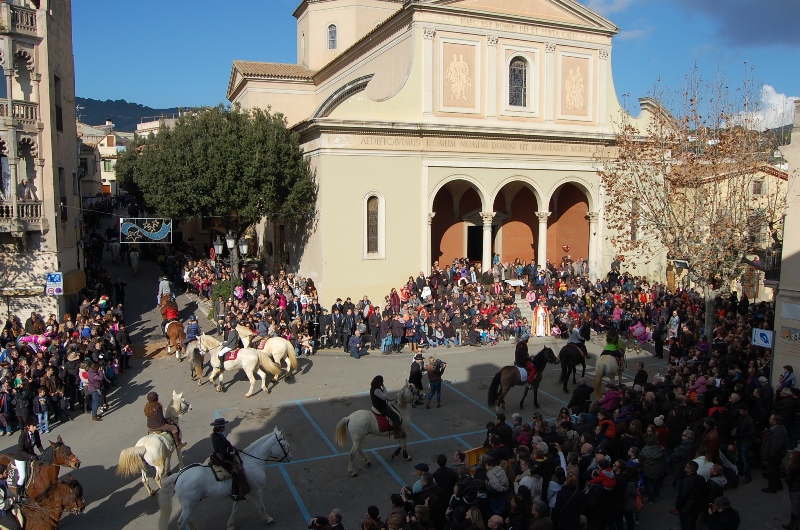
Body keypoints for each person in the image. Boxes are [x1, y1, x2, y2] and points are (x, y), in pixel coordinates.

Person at [210, 417, 250, 501]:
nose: (225, 426)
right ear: (220, 427)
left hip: (217, 454)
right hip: (222, 458)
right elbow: (224, 454)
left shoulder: (216, 435)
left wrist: (231, 447)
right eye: (224, 425)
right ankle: (234, 494)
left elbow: (226, 444)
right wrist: (232, 457)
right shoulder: (219, 438)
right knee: (235, 473)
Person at [13, 418, 43, 501]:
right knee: (22, 476)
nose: (35, 428)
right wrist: (31, 457)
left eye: (35, 426)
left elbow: (39, 444)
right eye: (33, 426)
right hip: (21, 458)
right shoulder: (22, 436)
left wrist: (43, 452)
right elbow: (20, 450)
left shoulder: (36, 433)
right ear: (28, 427)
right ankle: (19, 495)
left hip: (30, 455)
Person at [762, 413, 789, 493]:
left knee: (772, 472)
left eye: (771, 419)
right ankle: (778, 485)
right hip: (777, 455)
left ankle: (772, 488)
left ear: (775, 421)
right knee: (775, 471)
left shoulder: (778, 431)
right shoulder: (779, 428)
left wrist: (771, 455)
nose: (769, 420)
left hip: (775, 456)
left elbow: (776, 446)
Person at [0, 464, 21, 530]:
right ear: (0, 475)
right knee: (15, 527)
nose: (8, 473)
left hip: (6, 507)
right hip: (1, 513)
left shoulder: (3, 482)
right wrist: (12, 500)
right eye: (6, 472)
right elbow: (1, 505)